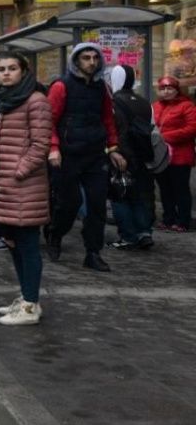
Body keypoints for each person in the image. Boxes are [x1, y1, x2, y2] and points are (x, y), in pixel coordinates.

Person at [0, 51, 52, 325]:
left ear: (24, 71)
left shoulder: (35, 100)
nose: (6, 73)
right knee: (12, 242)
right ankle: (26, 296)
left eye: (12, 68)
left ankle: (30, 306)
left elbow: (41, 144)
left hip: (25, 186)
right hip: (5, 184)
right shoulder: (4, 100)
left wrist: (18, 171)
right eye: (2, 69)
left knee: (27, 244)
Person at [46, 44, 126, 272]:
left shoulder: (102, 87)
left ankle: (93, 252)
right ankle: (55, 233)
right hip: (67, 155)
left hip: (95, 155)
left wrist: (113, 148)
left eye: (95, 58)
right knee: (68, 203)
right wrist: (53, 147)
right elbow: (49, 120)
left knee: (97, 205)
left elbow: (108, 120)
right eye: (86, 58)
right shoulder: (61, 86)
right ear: (76, 61)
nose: (91, 62)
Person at [107, 66, 157, 249]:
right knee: (139, 195)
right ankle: (144, 232)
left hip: (121, 154)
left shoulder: (113, 102)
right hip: (143, 155)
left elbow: (111, 130)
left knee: (120, 195)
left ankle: (128, 236)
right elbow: (153, 129)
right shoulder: (145, 102)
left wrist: (112, 151)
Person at [152, 75, 196, 232]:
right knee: (165, 189)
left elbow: (192, 128)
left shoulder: (187, 106)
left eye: (170, 88)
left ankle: (183, 221)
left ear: (177, 90)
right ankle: (168, 218)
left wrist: (165, 137)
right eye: (163, 88)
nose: (166, 91)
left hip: (180, 156)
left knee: (180, 189)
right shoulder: (155, 106)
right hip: (161, 157)